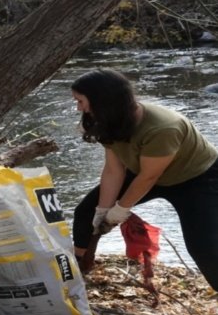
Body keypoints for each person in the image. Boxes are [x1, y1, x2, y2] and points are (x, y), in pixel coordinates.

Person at [71, 68, 218, 291]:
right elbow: (114, 169)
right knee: (86, 213)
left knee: (204, 246)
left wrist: (119, 211)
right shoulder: (106, 120)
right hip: (144, 170)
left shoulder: (163, 127)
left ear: (102, 100)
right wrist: (103, 210)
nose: (78, 107)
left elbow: (149, 177)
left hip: (196, 178)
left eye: (81, 101)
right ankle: (78, 269)